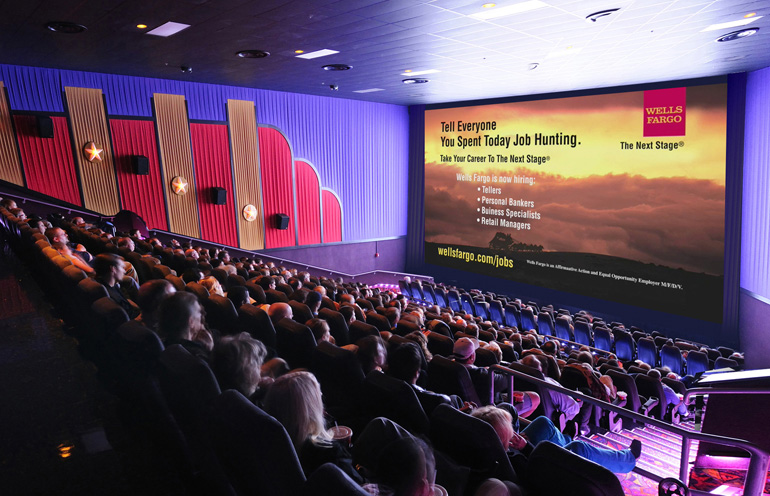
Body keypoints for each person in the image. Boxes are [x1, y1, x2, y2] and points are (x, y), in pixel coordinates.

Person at [471, 405, 641, 474]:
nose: (513, 429)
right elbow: (538, 467)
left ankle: (566, 439)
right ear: (502, 437)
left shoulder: (477, 437)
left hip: (516, 449)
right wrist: (526, 447)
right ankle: (628, 459)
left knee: (543, 423)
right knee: (579, 448)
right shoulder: (511, 462)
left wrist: (516, 442)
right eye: (509, 428)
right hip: (540, 467)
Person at [263, 371, 362, 482]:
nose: (321, 395)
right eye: (318, 394)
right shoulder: (331, 453)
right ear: (310, 408)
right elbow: (356, 485)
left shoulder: (267, 446)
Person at [157, 292, 214, 360]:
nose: (203, 315)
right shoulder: (197, 356)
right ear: (191, 322)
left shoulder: (160, 346)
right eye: (199, 312)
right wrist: (210, 351)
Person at [93, 253, 140, 319]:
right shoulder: (114, 299)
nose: (124, 271)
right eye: (121, 267)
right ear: (113, 269)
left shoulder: (105, 284)